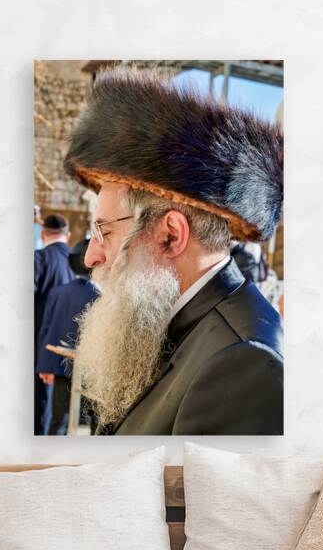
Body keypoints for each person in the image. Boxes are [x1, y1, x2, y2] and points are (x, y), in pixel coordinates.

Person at [63, 69, 283, 435]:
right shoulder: (172, 319)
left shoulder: (245, 363)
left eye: (104, 231)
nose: (90, 257)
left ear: (169, 236)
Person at [36, 239, 99, 435]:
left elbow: (47, 329)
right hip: (92, 368)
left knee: (59, 418)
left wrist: (45, 365)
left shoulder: (58, 292)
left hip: (61, 364)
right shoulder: (101, 295)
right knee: (93, 420)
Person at [32, 213, 74, 434]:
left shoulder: (39, 259)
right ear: (68, 235)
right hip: (72, 350)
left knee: (39, 411)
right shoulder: (80, 263)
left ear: (42, 234)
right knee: (63, 414)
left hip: (40, 348)